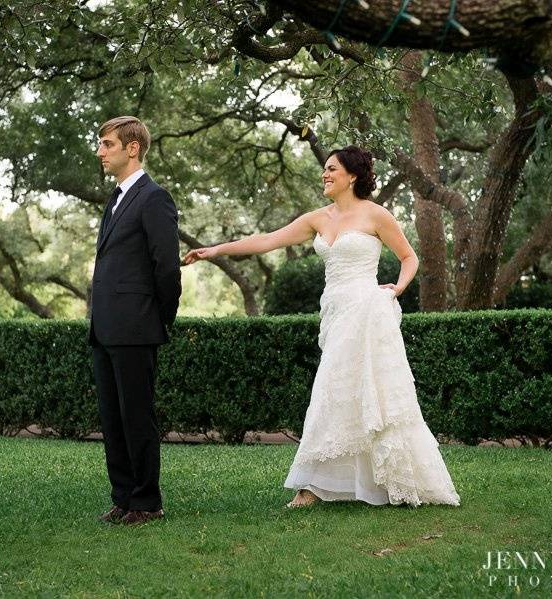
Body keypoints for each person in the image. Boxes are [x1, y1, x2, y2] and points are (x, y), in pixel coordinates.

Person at [184, 145, 460, 508]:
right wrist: (215, 250)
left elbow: (409, 257)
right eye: (324, 170)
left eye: (332, 169)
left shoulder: (377, 215)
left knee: (340, 389)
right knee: (344, 391)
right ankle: (342, 483)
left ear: (353, 176)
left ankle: (313, 487)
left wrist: (397, 288)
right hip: (335, 311)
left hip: (366, 310)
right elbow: (268, 240)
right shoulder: (318, 218)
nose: (325, 175)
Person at [90, 116, 181, 525]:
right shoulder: (115, 199)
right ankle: (124, 497)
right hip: (106, 327)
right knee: (112, 418)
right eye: (100, 144)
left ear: (132, 148)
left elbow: (167, 269)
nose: (100, 151)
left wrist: (159, 318)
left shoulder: (154, 198)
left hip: (137, 327)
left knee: (137, 417)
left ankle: (147, 501)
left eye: (107, 144)